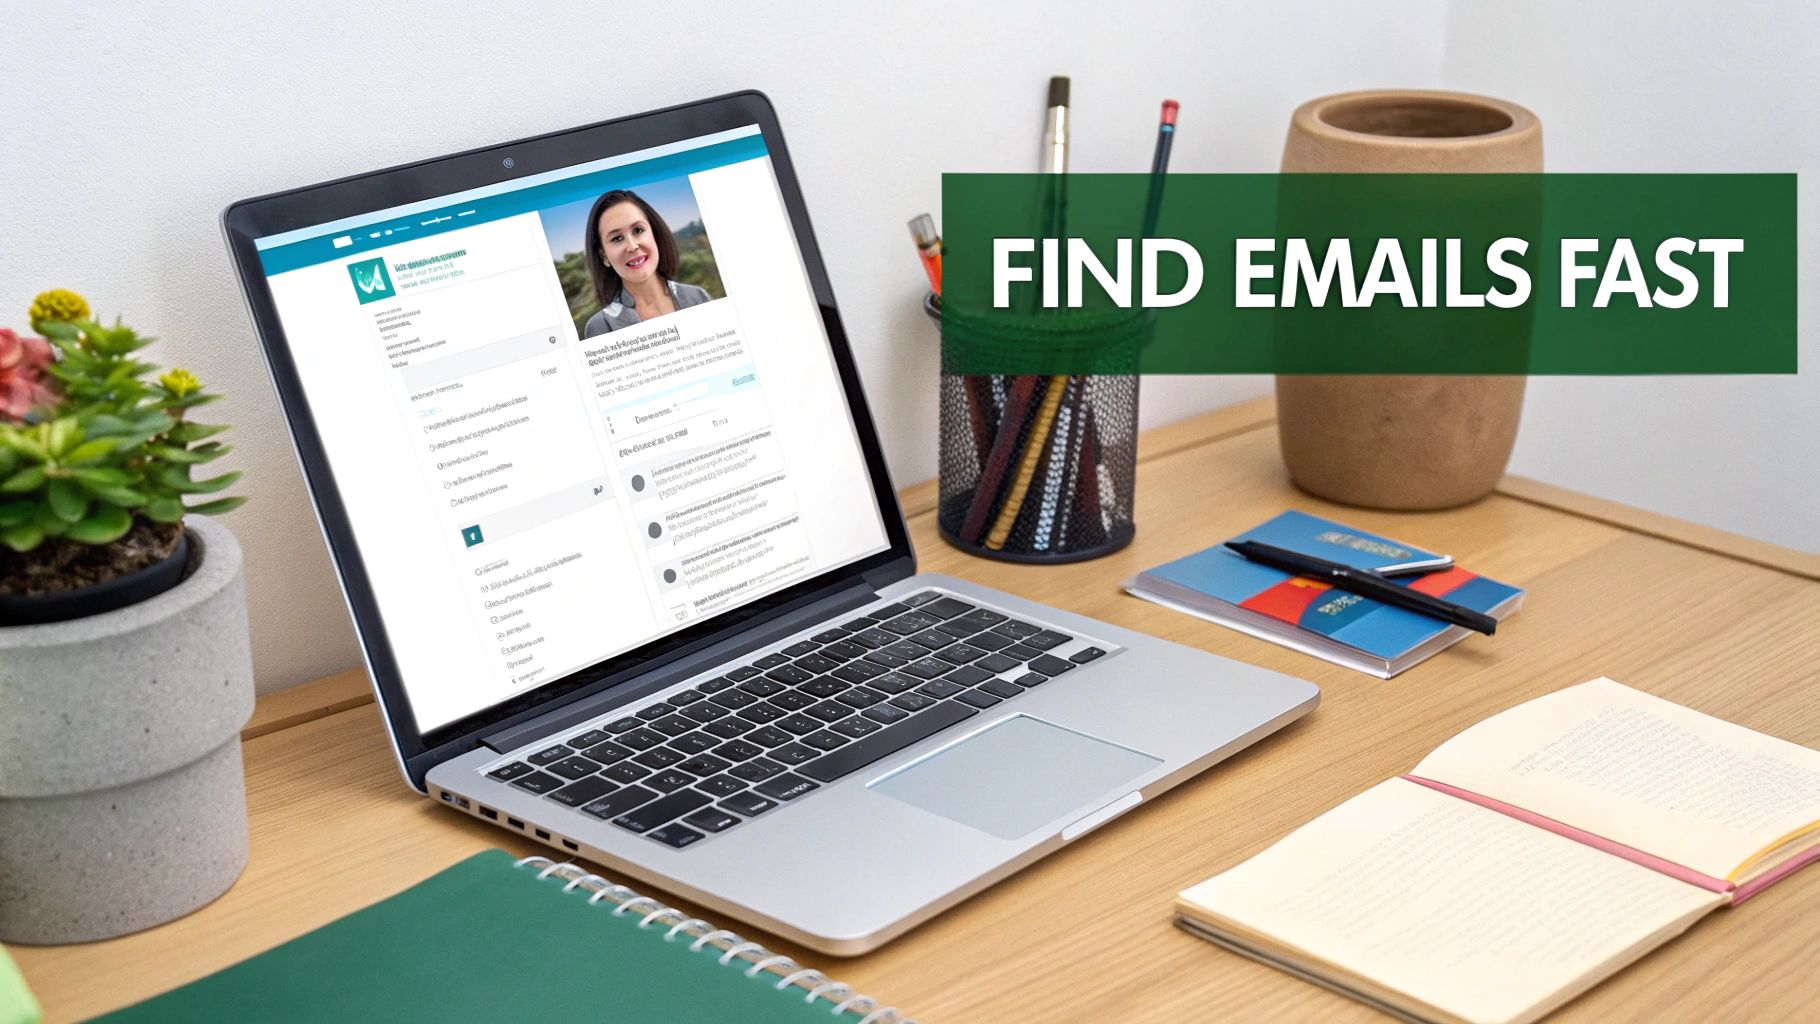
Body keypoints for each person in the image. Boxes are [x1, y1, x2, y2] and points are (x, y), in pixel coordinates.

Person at [581, 189, 712, 336]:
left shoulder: (698, 297)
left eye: (638, 230)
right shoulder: (600, 327)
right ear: (604, 255)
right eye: (617, 238)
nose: (632, 246)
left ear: (654, 234)